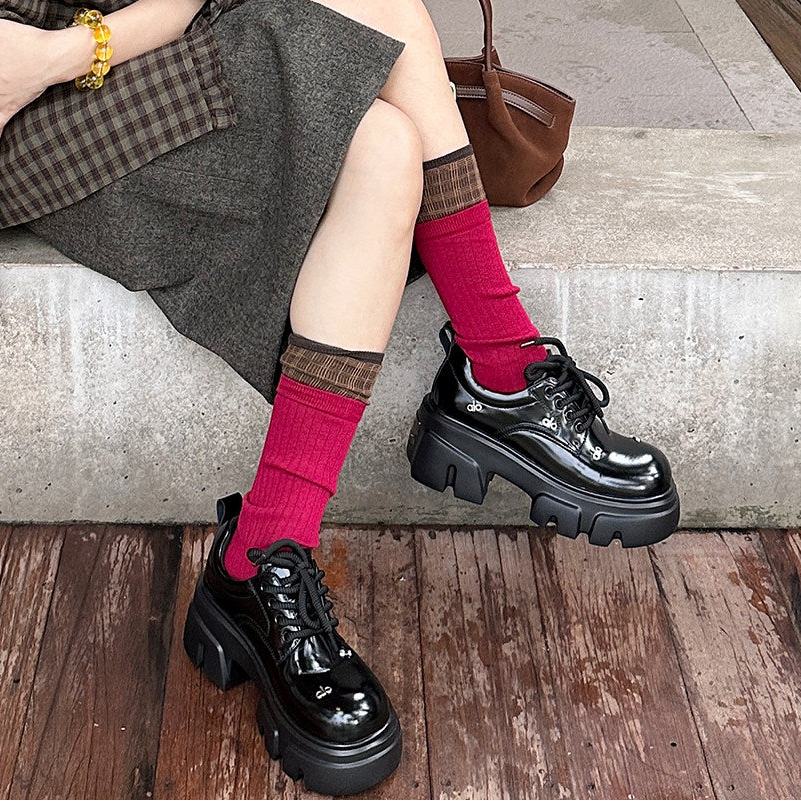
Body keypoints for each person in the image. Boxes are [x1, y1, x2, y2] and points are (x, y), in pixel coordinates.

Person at [0, 0, 680, 795]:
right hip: (32, 118)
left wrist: (71, 50)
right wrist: (49, 62)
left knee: (386, 148)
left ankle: (263, 549)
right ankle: (499, 369)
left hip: (94, 57)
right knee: (383, 38)